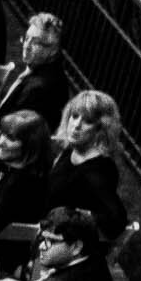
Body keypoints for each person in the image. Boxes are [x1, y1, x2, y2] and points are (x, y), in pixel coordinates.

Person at [46, 88, 130, 243]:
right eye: (75, 116)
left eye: (88, 121)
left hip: (60, 243)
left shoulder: (98, 172)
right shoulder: (72, 150)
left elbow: (116, 220)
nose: (76, 125)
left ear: (101, 129)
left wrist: (74, 219)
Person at [0, 108, 55, 231]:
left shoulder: (22, 183)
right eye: (2, 133)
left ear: (30, 145)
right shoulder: (12, 171)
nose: (1, 142)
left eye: (11, 139)